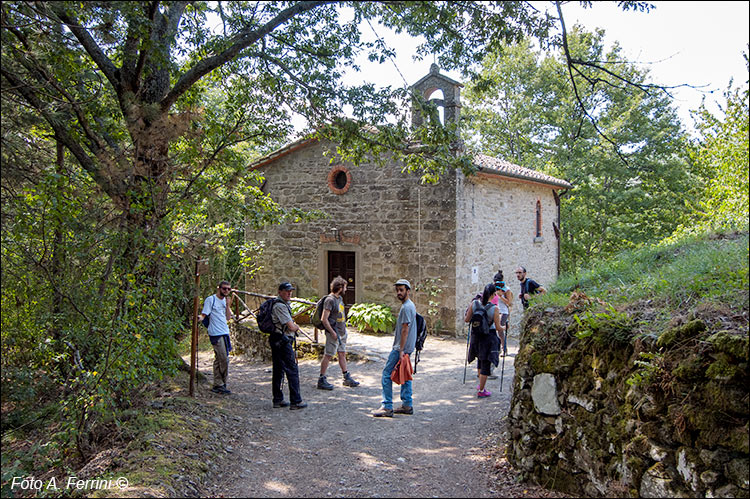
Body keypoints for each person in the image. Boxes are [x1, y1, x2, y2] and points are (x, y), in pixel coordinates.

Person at [373, 279, 417, 417]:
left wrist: (401, 349)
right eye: (397, 290)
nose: (399, 292)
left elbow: (405, 330)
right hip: (407, 348)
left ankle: (387, 406)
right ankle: (407, 405)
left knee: (386, 374)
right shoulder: (410, 305)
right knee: (406, 374)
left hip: (401, 348)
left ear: (408, 291)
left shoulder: (406, 307)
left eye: (401, 290)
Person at [317, 276, 360, 390]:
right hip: (334, 333)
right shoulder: (330, 300)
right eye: (345, 287)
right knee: (328, 355)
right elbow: (324, 319)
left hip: (341, 332)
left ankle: (346, 377)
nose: (346, 289)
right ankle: (321, 379)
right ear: (340, 287)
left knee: (342, 353)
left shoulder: (339, 299)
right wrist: (332, 332)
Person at [270, 282, 307, 410]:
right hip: (282, 340)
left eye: (290, 291)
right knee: (292, 369)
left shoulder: (281, 304)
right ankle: (296, 401)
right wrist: (296, 327)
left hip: (278, 339)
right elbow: (291, 326)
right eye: (286, 291)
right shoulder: (280, 306)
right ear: (279, 292)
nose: (289, 293)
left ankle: (278, 399)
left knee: (279, 369)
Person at [465, 283, 503, 398]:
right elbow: (498, 327)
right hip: (488, 337)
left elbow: (467, 320)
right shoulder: (494, 308)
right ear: (493, 294)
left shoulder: (474, 303)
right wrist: (505, 327)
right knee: (486, 362)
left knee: (479, 359)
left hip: (476, 336)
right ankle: (481, 390)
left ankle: (480, 385)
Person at [199, 281, 234, 394]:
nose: (226, 291)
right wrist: (198, 318)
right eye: (224, 289)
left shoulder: (225, 301)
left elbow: (228, 317)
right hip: (215, 332)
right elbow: (204, 314)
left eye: (229, 289)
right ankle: (220, 383)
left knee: (220, 359)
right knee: (223, 358)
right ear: (219, 288)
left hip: (224, 331)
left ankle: (219, 384)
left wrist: (228, 305)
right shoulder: (211, 300)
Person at [491, 270, 513, 355]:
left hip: (503, 311)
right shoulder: (493, 289)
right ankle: (498, 348)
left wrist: (500, 296)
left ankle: (504, 349)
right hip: (495, 311)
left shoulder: (506, 290)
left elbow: (509, 302)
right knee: (494, 330)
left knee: (500, 330)